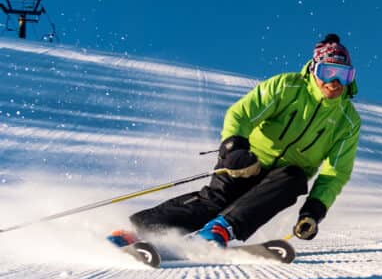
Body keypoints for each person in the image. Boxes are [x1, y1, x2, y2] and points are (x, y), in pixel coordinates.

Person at [111, 33, 361, 247]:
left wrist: (314, 210)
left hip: (284, 177)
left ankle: (220, 231)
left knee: (293, 179)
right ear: (313, 69)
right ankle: (137, 231)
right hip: (247, 160)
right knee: (216, 201)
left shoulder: (347, 121)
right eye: (328, 72)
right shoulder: (287, 87)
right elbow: (241, 114)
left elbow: (335, 173)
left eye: (344, 75)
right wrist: (235, 147)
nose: (335, 82)